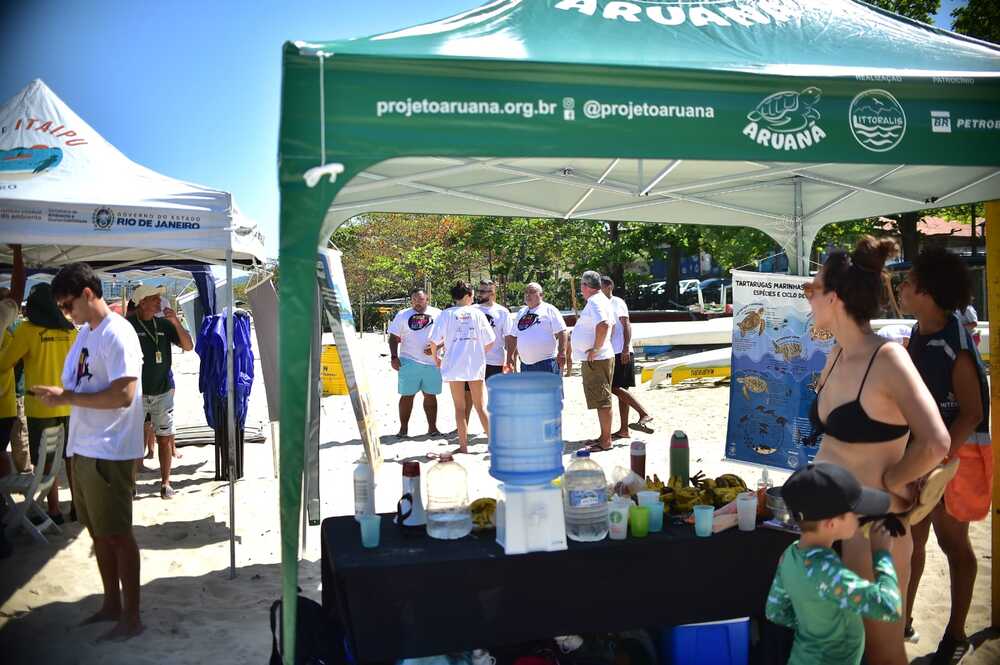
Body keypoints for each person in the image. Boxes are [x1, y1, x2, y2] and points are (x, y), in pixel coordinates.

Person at [803, 236, 950, 665]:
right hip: (828, 529)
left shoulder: (887, 358)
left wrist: (892, 480)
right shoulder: (837, 354)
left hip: (872, 534)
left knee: (883, 655)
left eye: (812, 290)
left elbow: (936, 441)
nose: (808, 299)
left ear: (833, 298)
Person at [33, 261, 145, 641]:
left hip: (111, 449)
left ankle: (132, 617)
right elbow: (75, 386)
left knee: (118, 535)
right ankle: (111, 605)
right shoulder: (85, 333)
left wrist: (66, 396)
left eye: (68, 305)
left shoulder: (118, 332)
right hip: (84, 447)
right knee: (98, 533)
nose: (66, 314)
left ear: (87, 293)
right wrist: (59, 394)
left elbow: (124, 395)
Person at [898, 247, 990, 664]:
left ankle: (954, 634)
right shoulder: (920, 330)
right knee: (911, 538)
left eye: (910, 283)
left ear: (930, 293)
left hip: (956, 456)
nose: (902, 287)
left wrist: (938, 459)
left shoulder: (955, 342)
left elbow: (971, 411)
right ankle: (902, 620)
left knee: (953, 543)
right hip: (925, 451)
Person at [766, 462, 902, 665]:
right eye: (855, 512)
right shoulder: (829, 573)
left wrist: (814, 625)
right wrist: (881, 554)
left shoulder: (789, 555)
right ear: (831, 524)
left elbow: (776, 612)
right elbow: (889, 607)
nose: (860, 516)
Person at [0, 280, 78, 522]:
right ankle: (77, 506)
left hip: (41, 406)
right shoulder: (70, 330)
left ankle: (53, 510)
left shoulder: (27, 330)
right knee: (71, 459)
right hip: (70, 404)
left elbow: (3, 363)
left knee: (46, 462)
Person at [126, 285, 193, 499]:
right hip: (136, 393)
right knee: (133, 440)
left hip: (163, 392)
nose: (159, 301)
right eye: (154, 298)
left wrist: (175, 321)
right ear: (142, 302)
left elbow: (189, 346)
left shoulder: (164, 324)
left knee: (164, 438)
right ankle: (130, 484)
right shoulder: (127, 326)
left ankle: (165, 484)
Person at [429, 281, 494, 454]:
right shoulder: (477, 314)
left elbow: (434, 341)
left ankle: (464, 446)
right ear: (467, 296)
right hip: (474, 364)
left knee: (459, 407)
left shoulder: (446, 314)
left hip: (453, 365)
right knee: (480, 406)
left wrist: (436, 358)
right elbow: (491, 341)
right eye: (472, 295)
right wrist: (479, 352)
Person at [600, 276, 653, 439]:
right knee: (622, 391)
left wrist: (625, 348)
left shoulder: (617, 302)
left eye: (600, 286)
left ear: (609, 286)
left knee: (615, 388)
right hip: (609, 351)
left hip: (620, 351)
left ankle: (644, 413)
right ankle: (624, 429)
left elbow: (627, 325)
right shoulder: (599, 304)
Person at [387, 289, 443, 438]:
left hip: (432, 363)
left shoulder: (438, 314)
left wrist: (436, 348)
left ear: (427, 299)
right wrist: (393, 357)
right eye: (414, 300)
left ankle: (432, 428)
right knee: (407, 396)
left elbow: (446, 336)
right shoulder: (402, 315)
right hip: (408, 360)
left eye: (421, 300)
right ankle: (403, 429)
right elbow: (393, 337)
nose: (417, 303)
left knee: (430, 396)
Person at [571, 271, 616, 452]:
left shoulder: (596, 301)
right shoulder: (602, 299)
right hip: (601, 356)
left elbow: (604, 324)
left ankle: (606, 441)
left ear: (585, 286)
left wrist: (596, 348)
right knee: (602, 399)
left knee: (602, 400)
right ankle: (604, 436)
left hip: (598, 358)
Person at [506, 282, 567, 376]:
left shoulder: (549, 309)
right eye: (526, 292)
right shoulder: (522, 312)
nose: (528, 294)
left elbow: (562, 331)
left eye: (532, 292)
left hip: (546, 363)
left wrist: (562, 352)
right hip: (525, 365)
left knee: (549, 391)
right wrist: (509, 357)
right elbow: (513, 336)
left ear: (541, 295)